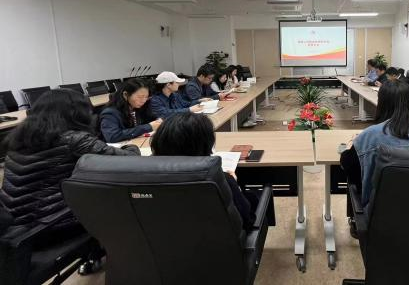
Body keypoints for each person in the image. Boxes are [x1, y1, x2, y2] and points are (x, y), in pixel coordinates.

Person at [0, 89, 139, 274]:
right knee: (123, 200)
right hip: (52, 227)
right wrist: (131, 147)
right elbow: (128, 159)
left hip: (18, 227)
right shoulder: (74, 139)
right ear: (76, 112)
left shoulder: (18, 137)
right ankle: (126, 260)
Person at [343, 80, 409, 206]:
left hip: (382, 212)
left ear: (381, 103)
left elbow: (350, 169)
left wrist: (352, 144)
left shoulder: (369, 136)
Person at [150, 112, 257, 229]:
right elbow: (247, 220)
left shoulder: (144, 175)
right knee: (253, 198)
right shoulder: (219, 179)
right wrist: (235, 185)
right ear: (205, 144)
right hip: (218, 238)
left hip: (164, 236)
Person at [100, 78, 162, 143]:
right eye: (140, 97)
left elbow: (150, 118)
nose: (143, 101)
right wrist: (148, 127)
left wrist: (157, 120)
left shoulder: (137, 107)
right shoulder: (110, 113)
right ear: (125, 95)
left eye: (146, 97)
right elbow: (112, 137)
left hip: (136, 142)